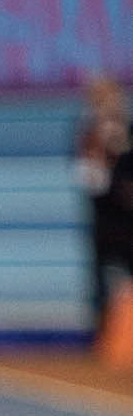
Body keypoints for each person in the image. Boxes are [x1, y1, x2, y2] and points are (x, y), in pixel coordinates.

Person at [72, 76, 133, 337]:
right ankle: (100, 333)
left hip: (129, 220)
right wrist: (105, 152)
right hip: (105, 221)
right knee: (100, 281)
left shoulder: (129, 129)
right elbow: (88, 179)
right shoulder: (89, 134)